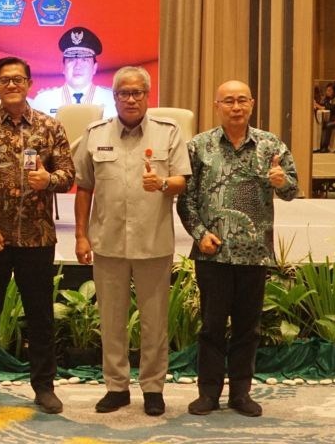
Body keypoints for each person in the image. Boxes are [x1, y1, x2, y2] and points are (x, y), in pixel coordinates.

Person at [0, 56, 75, 415]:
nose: (11, 85)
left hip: (37, 236)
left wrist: (49, 180)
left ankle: (44, 386)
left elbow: (68, 175)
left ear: (29, 84)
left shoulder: (50, 127)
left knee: (40, 316)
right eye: (4, 80)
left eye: (18, 79)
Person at [177, 80, 299, 418]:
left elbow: (292, 189)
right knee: (211, 327)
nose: (236, 107)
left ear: (252, 104)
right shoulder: (199, 146)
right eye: (228, 101)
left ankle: (241, 393)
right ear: (216, 106)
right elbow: (185, 200)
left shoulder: (271, 145)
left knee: (248, 328)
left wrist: (282, 182)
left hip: (254, 252)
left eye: (242, 100)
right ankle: (208, 393)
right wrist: (199, 234)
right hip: (212, 252)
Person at [72, 66, 189, 417]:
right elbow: (84, 187)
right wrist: (81, 235)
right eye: (124, 93)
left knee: (155, 321)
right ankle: (116, 387)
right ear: (114, 97)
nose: (131, 99)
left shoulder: (169, 131)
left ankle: (153, 388)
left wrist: (163, 184)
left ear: (147, 96)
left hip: (153, 241)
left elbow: (182, 180)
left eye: (137, 92)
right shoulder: (95, 133)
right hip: (108, 241)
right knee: (111, 320)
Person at [30, 26, 117, 118]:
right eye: (71, 60)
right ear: (63, 67)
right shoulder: (43, 101)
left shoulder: (112, 100)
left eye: (84, 60)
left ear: (94, 68)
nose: (77, 66)